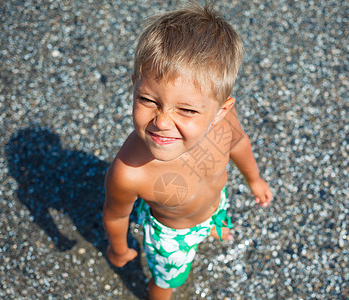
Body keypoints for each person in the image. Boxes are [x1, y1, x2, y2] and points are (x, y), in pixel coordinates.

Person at [103, 2, 273, 299]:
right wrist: (118, 248)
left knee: (216, 207)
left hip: (214, 202)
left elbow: (239, 143)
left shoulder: (224, 124)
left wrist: (254, 179)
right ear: (134, 87)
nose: (162, 121)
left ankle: (212, 226)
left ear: (220, 111)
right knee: (167, 281)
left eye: (186, 109)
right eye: (148, 100)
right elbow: (116, 215)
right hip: (172, 235)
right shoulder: (130, 172)